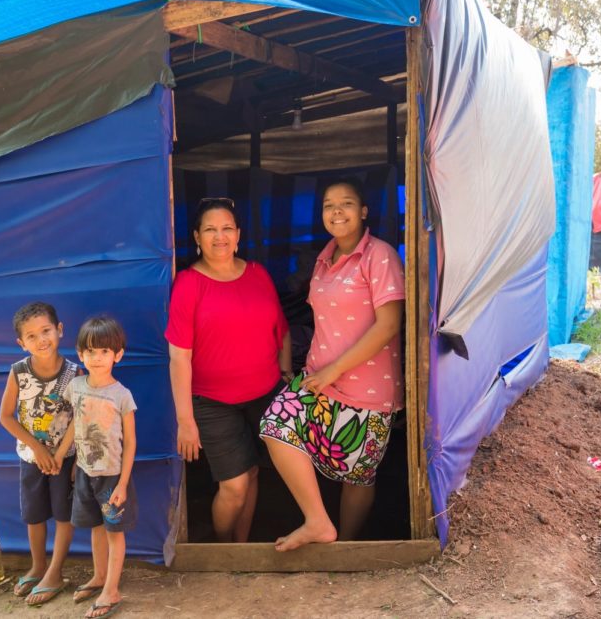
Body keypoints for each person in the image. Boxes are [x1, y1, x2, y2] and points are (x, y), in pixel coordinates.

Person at [260, 179, 405, 551]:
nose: (336, 212)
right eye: (328, 205)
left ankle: (347, 549)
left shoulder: (380, 255)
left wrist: (334, 370)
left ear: (363, 211)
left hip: (369, 386)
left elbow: (388, 325)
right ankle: (318, 522)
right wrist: (318, 371)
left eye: (346, 204)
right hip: (318, 379)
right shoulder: (324, 259)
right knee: (276, 423)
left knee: (357, 475)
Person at [166, 197, 291, 543]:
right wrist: (185, 420)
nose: (219, 236)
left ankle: (242, 547)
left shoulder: (258, 274)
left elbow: (282, 329)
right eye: (210, 229)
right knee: (234, 484)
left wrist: (285, 374)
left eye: (226, 229)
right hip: (212, 401)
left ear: (238, 235)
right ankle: (221, 549)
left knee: (252, 474)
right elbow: (179, 357)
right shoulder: (189, 284)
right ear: (196, 237)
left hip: (264, 394)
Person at [0, 301, 78, 606]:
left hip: (64, 459)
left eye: (46, 331)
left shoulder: (74, 372)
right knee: (34, 514)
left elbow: (79, 417)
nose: (41, 339)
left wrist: (58, 455)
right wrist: (37, 448)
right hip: (32, 458)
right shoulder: (18, 372)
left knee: (63, 513)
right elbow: (5, 416)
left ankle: (55, 572)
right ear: (21, 343)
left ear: (59, 330)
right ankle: (39, 566)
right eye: (31, 336)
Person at [59, 316, 137, 619]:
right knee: (95, 527)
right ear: (80, 354)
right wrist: (63, 455)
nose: (97, 358)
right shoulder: (76, 386)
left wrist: (122, 483)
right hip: (84, 473)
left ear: (118, 355)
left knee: (114, 532)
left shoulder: (122, 396)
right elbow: (76, 423)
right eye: (90, 351)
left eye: (105, 351)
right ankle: (99, 576)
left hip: (112, 476)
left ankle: (112, 590)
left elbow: (131, 443)